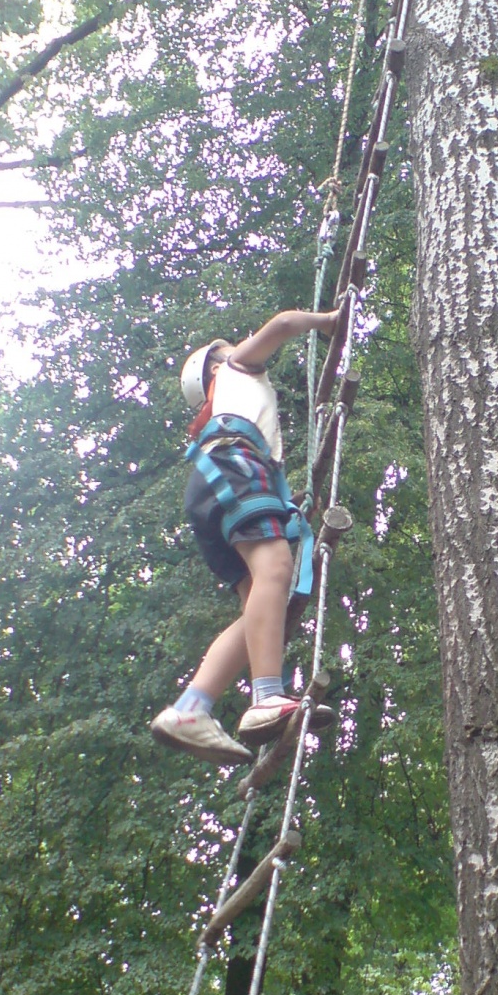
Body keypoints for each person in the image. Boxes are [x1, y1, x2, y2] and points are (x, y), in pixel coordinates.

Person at [150, 308, 340, 765]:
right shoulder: (237, 368)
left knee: (257, 599)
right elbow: (281, 326)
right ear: (216, 365)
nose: (237, 346)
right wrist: (331, 321)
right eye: (226, 348)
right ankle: (267, 697)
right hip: (236, 470)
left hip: (213, 484)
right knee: (276, 567)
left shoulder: (233, 407)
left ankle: (191, 709)